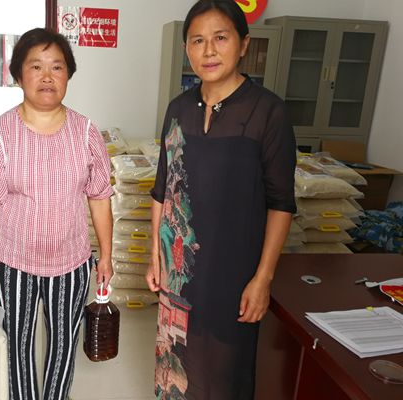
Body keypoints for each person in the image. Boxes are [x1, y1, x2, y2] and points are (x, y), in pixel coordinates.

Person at [145, 1, 296, 399]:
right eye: (197, 41)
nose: (209, 50)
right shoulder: (178, 109)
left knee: (224, 375)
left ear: (243, 44)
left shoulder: (268, 112)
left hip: (233, 273)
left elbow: (281, 203)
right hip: (179, 271)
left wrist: (262, 279)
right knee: (175, 367)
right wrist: (155, 255)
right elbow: (163, 189)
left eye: (220, 38)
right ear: (186, 49)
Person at [0, 28, 114, 400]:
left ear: (68, 75)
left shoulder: (86, 133)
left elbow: (100, 198)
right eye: (36, 66)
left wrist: (106, 256)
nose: (47, 76)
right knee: (16, 344)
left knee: (64, 342)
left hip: (71, 262)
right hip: (13, 262)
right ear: (19, 76)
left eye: (57, 67)